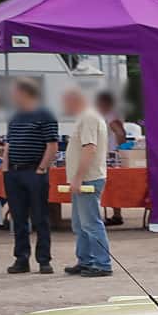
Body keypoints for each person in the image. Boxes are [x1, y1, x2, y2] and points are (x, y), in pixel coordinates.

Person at [2, 79, 59, 274]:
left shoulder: (45, 114)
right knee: (18, 217)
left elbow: (52, 145)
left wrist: (42, 168)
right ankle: (21, 258)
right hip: (14, 173)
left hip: (34, 171)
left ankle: (44, 259)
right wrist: (5, 168)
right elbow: (9, 144)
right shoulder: (15, 116)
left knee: (40, 216)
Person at [61, 86, 111, 278]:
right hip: (84, 179)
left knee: (90, 223)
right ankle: (86, 260)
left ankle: (102, 263)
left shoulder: (88, 117)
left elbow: (89, 148)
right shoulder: (88, 117)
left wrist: (78, 177)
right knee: (81, 224)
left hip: (88, 179)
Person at [97, 91, 128, 227]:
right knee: (112, 184)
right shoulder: (111, 115)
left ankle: (117, 214)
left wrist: (118, 149)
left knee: (112, 184)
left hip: (111, 154)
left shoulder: (109, 116)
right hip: (110, 152)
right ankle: (116, 214)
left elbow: (120, 133)